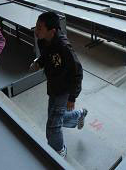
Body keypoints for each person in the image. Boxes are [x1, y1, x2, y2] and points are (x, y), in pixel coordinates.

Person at [30, 11, 87, 158]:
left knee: (52, 127)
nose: (36, 30)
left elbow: (78, 72)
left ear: (52, 31)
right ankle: (80, 114)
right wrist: (39, 63)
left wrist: (72, 97)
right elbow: (46, 56)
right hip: (53, 86)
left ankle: (59, 152)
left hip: (64, 88)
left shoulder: (64, 47)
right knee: (56, 117)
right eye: (36, 26)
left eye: (40, 27)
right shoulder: (42, 40)